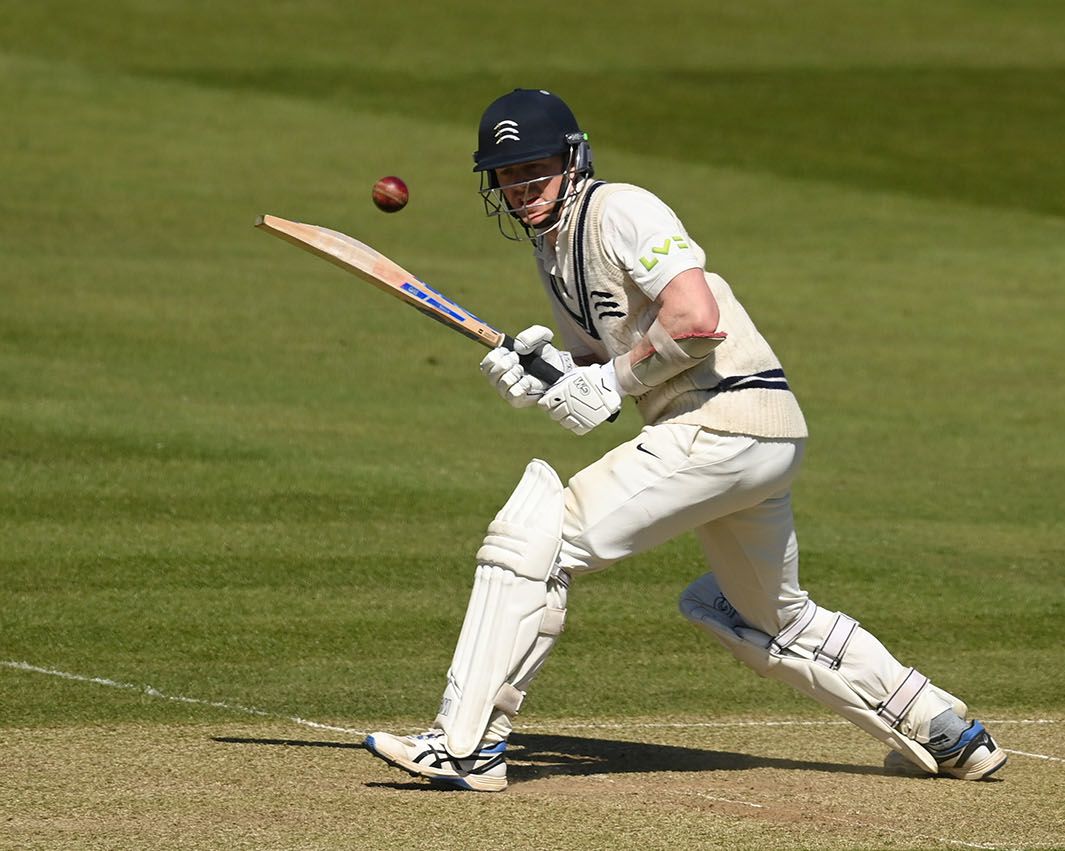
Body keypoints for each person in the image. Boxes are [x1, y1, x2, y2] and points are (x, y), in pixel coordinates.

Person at [363, 88, 1007, 791]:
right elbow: (602, 371)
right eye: (508, 175)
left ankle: (467, 743)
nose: (522, 187)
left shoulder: (621, 210)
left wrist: (612, 380)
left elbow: (696, 320)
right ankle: (944, 729)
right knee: (759, 612)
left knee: (536, 534)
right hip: (743, 436)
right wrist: (539, 374)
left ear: (573, 160)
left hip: (724, 420)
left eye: (536, 168)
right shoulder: (554, 254)